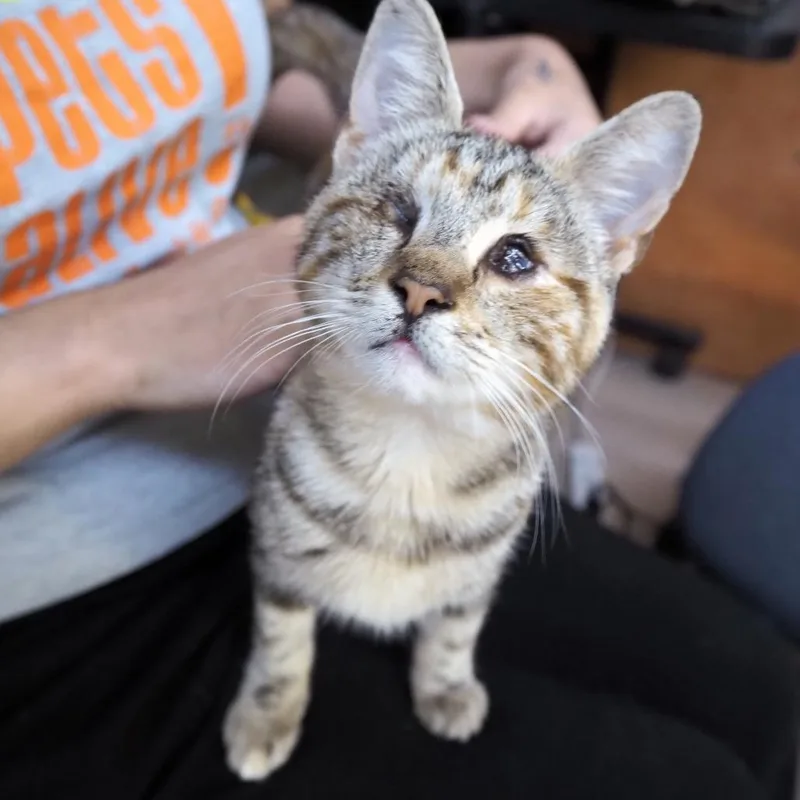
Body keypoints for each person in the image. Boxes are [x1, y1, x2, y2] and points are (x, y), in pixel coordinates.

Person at [0, 3, 796, 800]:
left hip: (350, 403)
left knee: (768, 699)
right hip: (75, 550)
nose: (425, 287)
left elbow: (245, 65)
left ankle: (442, 666)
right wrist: (112, 339)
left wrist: (520, 62)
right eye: (398, 217)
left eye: (514, 259)